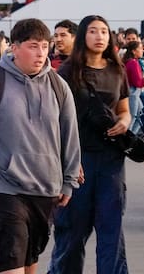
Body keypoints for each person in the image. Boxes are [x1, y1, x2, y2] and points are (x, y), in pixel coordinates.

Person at [0, 19, 81, 274]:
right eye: (33, 46)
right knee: (11, 264)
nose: (41, 53)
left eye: (45, 46)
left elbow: (70, 136)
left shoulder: (58, 86)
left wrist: (69, 180)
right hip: (2, 187)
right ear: (15, 47)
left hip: (45, 189)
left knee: (30, 264)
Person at [48, 15, 131, 274]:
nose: (99, 36)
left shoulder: (117, 70)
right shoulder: (67, 72)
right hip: (78, 157)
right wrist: (65, 161)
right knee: (72, 229)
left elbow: (124, 109)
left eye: (104, 31)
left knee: (111, 227)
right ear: (83, 35)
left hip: (111, 158)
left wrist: (125, 121)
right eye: (93, 31)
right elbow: (54, 119)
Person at [123, 41, 144, 135]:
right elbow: (138, 83)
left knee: (140, 114)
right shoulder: (133, 63)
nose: (142, 50)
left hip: (132, 91)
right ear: (134, 51)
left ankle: (132, 137)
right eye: (140, 48)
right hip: (133, 92)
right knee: (133, 117)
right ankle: (127, 139)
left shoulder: (129, 62)